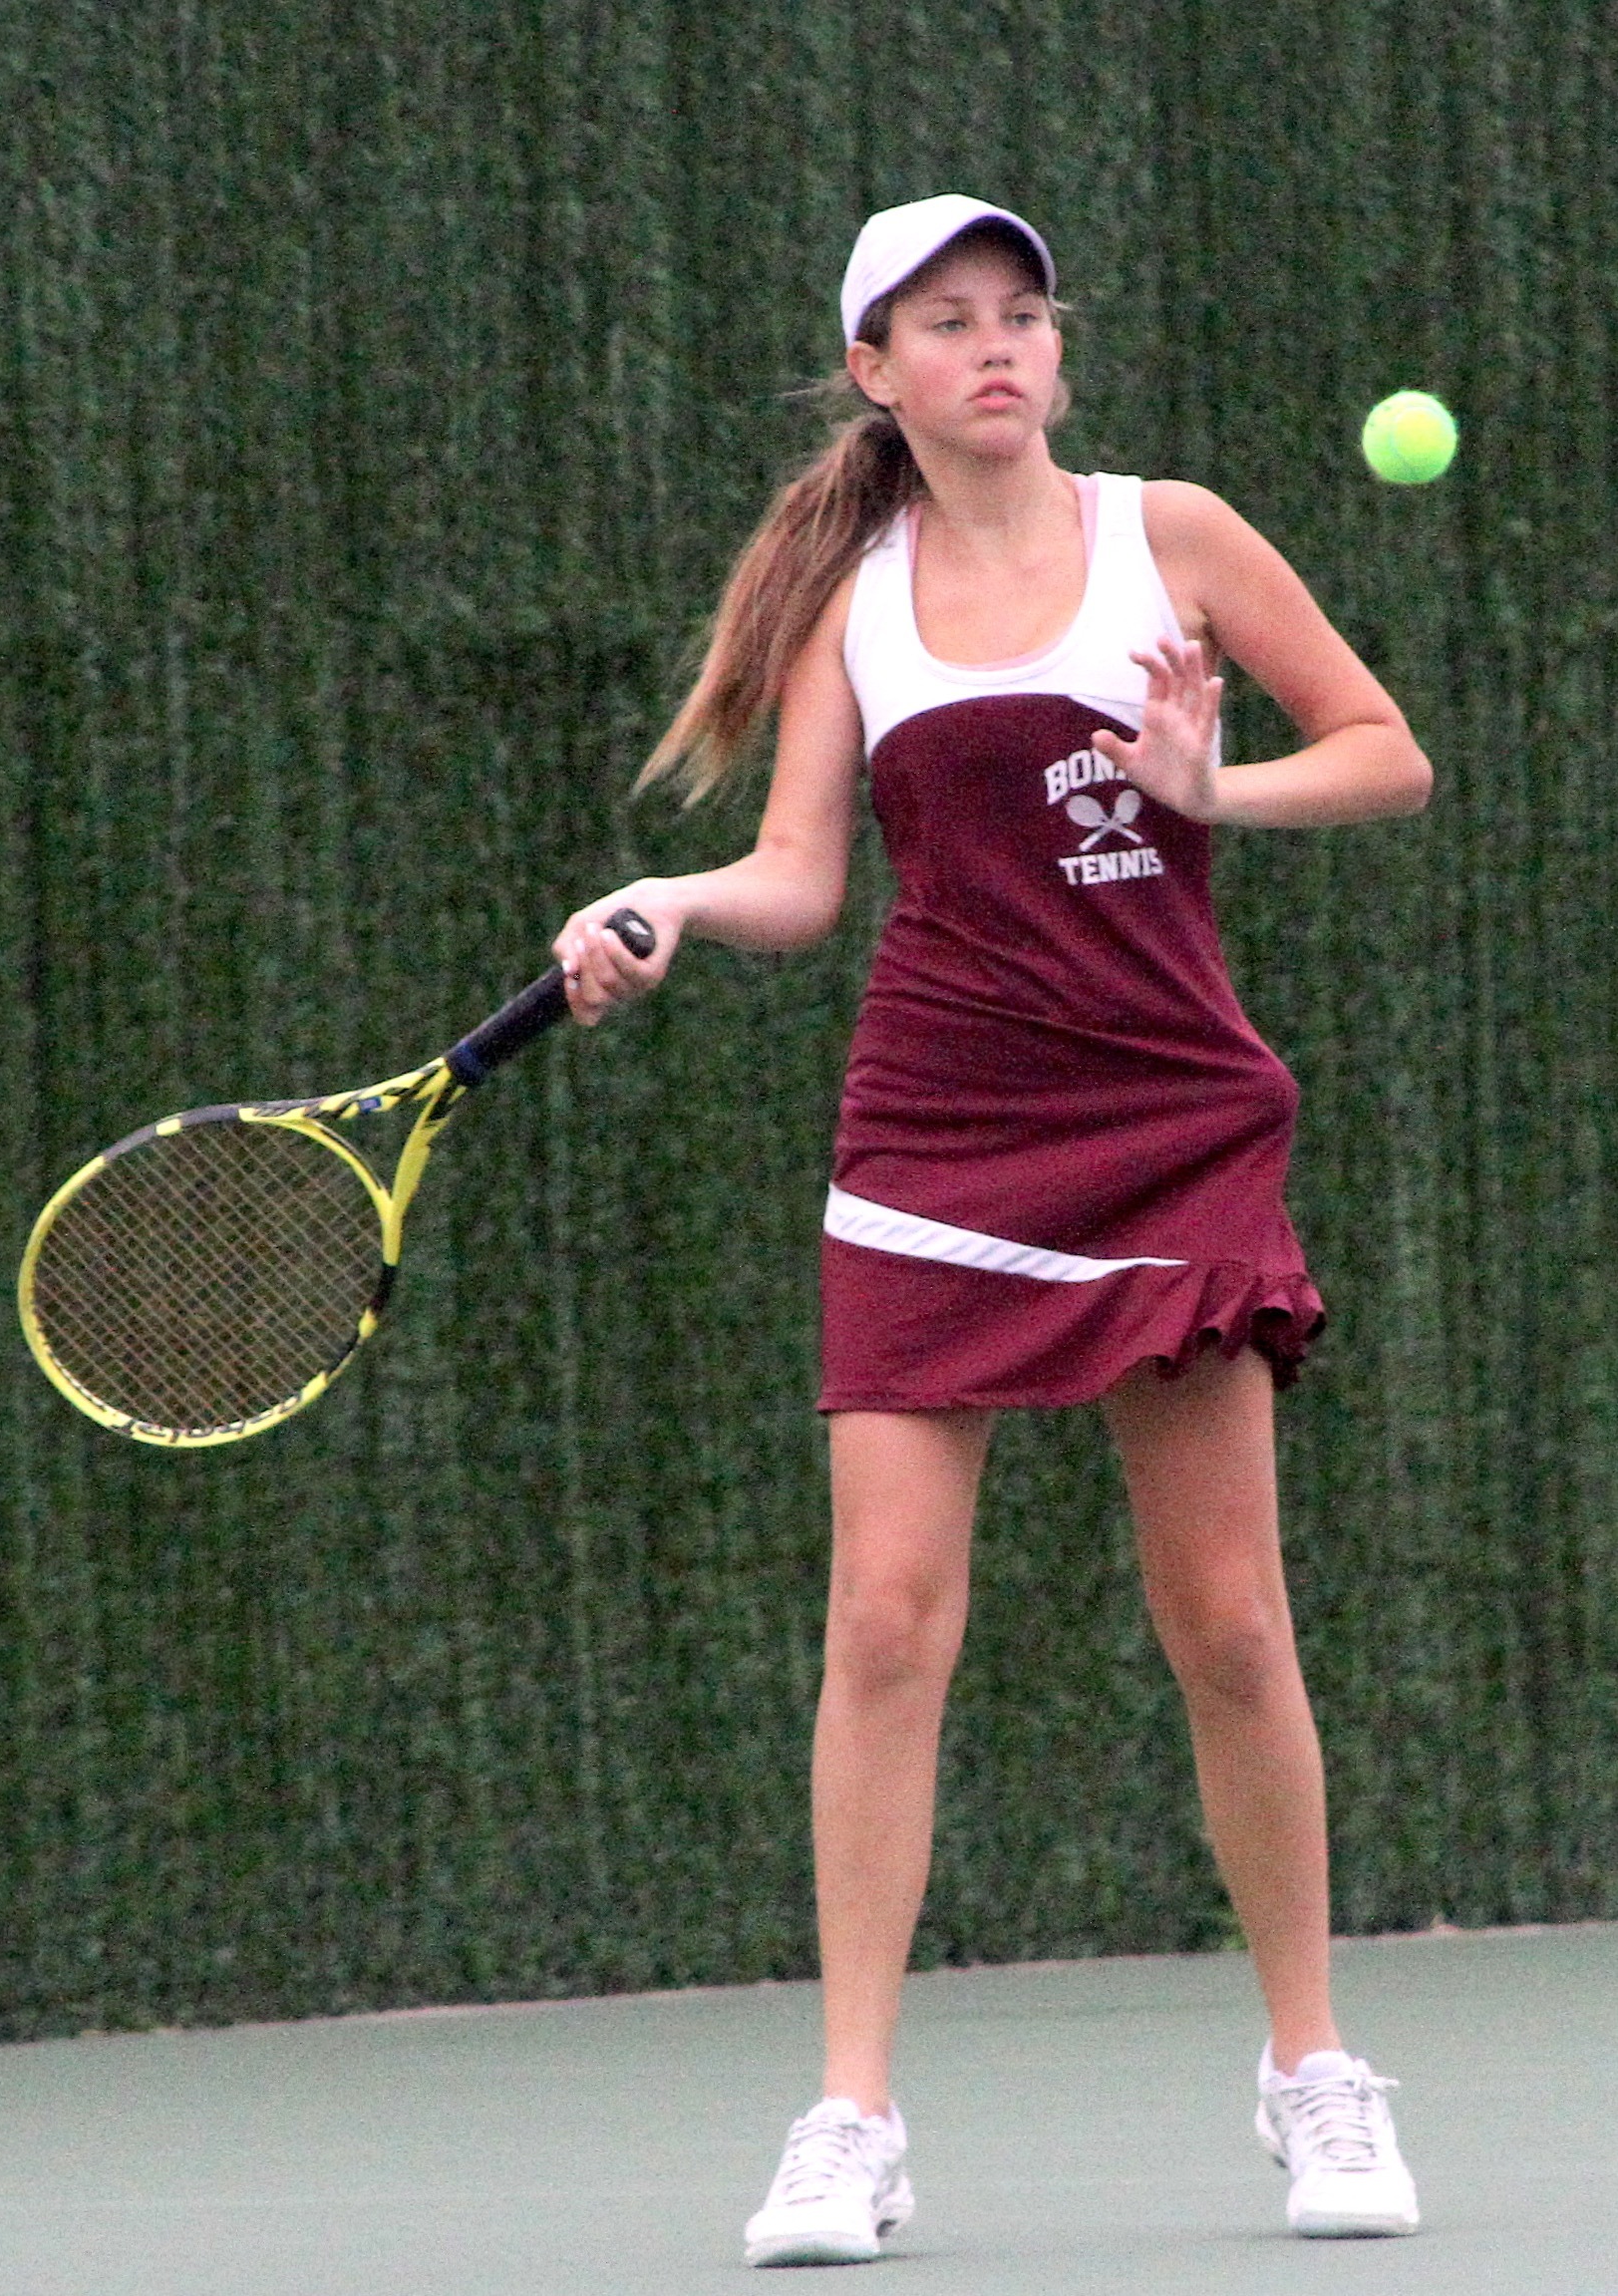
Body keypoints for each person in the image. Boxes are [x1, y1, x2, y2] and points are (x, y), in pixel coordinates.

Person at [554, 192, 1432, 2264]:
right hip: (933, 1136)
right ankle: (848, 2117)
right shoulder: (844, 603)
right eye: (946, 323)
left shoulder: (1173, 534)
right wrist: (666, 910)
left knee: (1224, 1621)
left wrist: (1217, 794)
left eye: (1020, 313)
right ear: (877, 372)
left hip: (1167, 1122)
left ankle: (1314, 2075)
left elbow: (1385, 756)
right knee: (883, 1623)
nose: (996, 347)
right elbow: (796, 872)